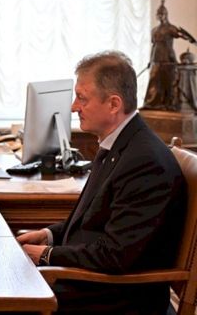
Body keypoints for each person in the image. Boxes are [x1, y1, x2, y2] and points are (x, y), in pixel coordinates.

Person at [17, 51, 187, 314]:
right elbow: (94, 221)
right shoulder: (119, 144)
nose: (73, 107)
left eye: (82, 98)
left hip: (117, 298)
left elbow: (115, 254)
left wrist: (46, 254)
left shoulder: (144, 162)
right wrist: (49, 235)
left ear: (114, 104)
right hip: (93, 283)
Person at [143, 0, 197, 110]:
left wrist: (191, 40)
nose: (160, 16)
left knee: (168, 80)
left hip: (168, 57)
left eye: (162, 14)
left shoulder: (170, 28)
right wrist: (150, 60)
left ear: (166, 15)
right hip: (156, 58)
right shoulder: (154, 30)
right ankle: (153, 103)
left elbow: (182, 35)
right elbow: (154, 46)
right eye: (158, 14)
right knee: (154, 79)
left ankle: (169, 103)